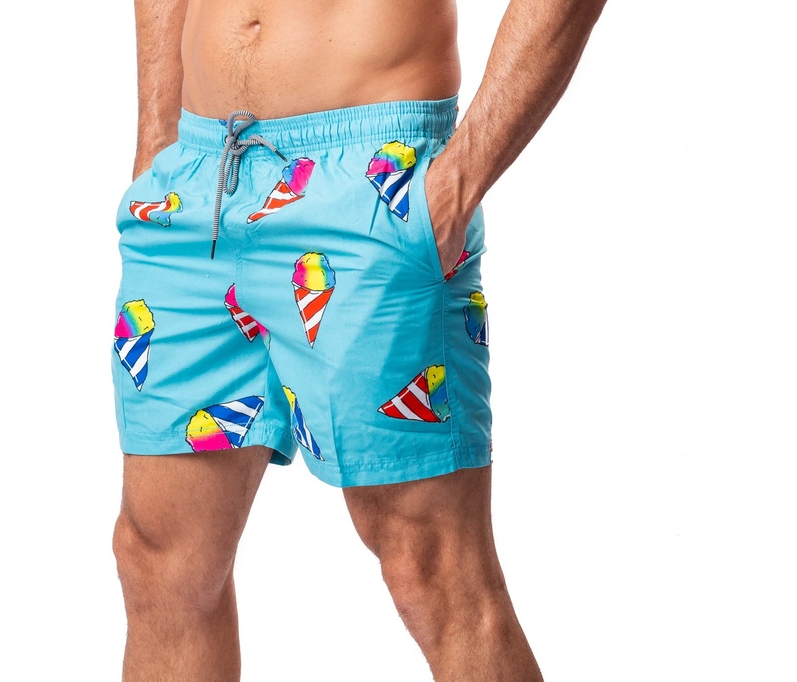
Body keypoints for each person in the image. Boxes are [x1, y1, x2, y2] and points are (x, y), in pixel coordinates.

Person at [110, 0, 604, 678]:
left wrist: (459, 182)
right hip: (196, 183)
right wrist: (155, 144)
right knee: (159, 562)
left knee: (433, 570)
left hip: (371, 183)